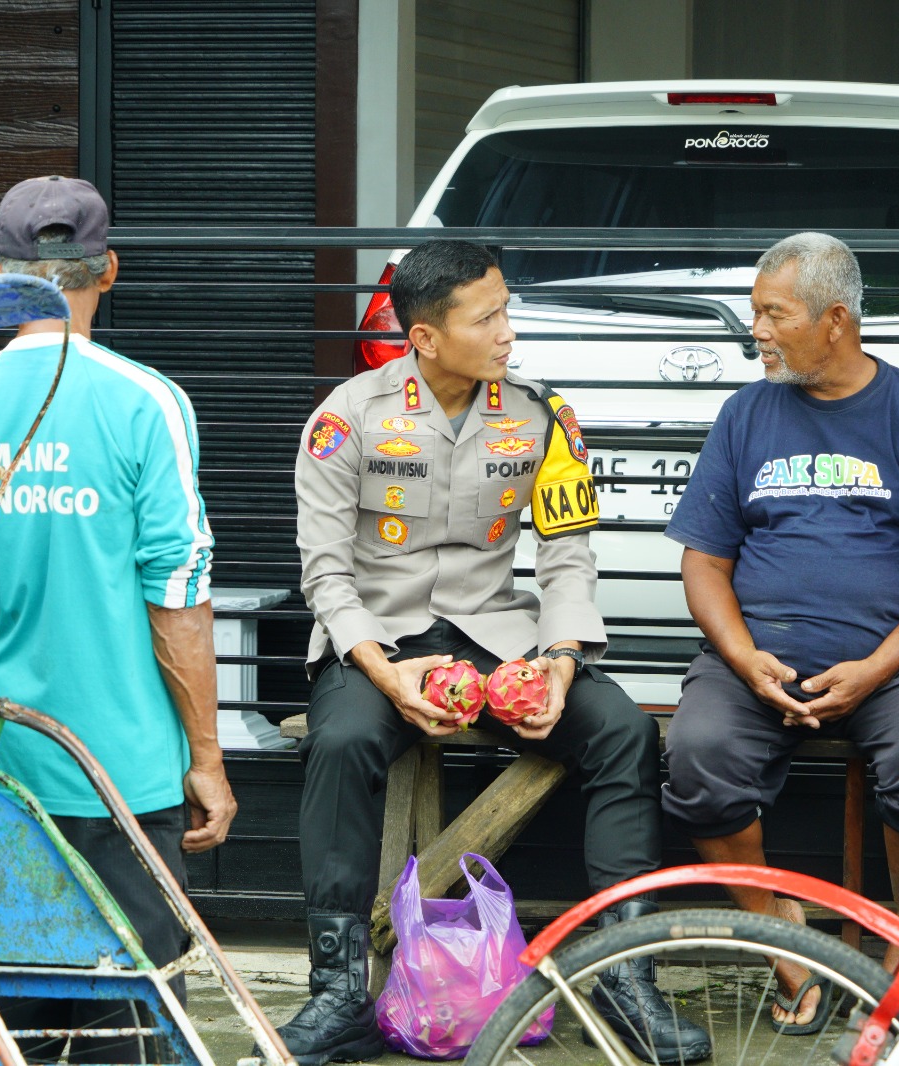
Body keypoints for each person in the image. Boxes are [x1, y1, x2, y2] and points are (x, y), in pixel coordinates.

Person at [285, 238, 711, 1065]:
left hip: (500, 636)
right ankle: (337, 991)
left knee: (623, 731)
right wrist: (382, 671)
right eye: (489, 317)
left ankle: (628, 979)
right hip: (382, 639)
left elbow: (566, 552)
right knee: (339, 742)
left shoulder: (544, 415)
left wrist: (558, 657)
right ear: (426, 337)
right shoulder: (349, 418)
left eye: (507, 308)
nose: (508, 331)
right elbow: (325, 572)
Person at [0, 175, 237, 1062]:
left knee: (12, 1009)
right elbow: (177, 596)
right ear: (110, 271)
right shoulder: (146, 401)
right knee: (130, 1017)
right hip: (121, 771)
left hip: (0, 763)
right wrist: (206, 759)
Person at [661, 232, 899, 1033]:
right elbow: (704, 561)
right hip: (758, 662)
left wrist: (877, 668)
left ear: (836, 320)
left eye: (773, 314)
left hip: (897, 662)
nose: (758, 331)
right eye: (757, 314)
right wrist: (744, 659)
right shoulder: (747, 414)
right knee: (697, 754)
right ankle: (790, 955)